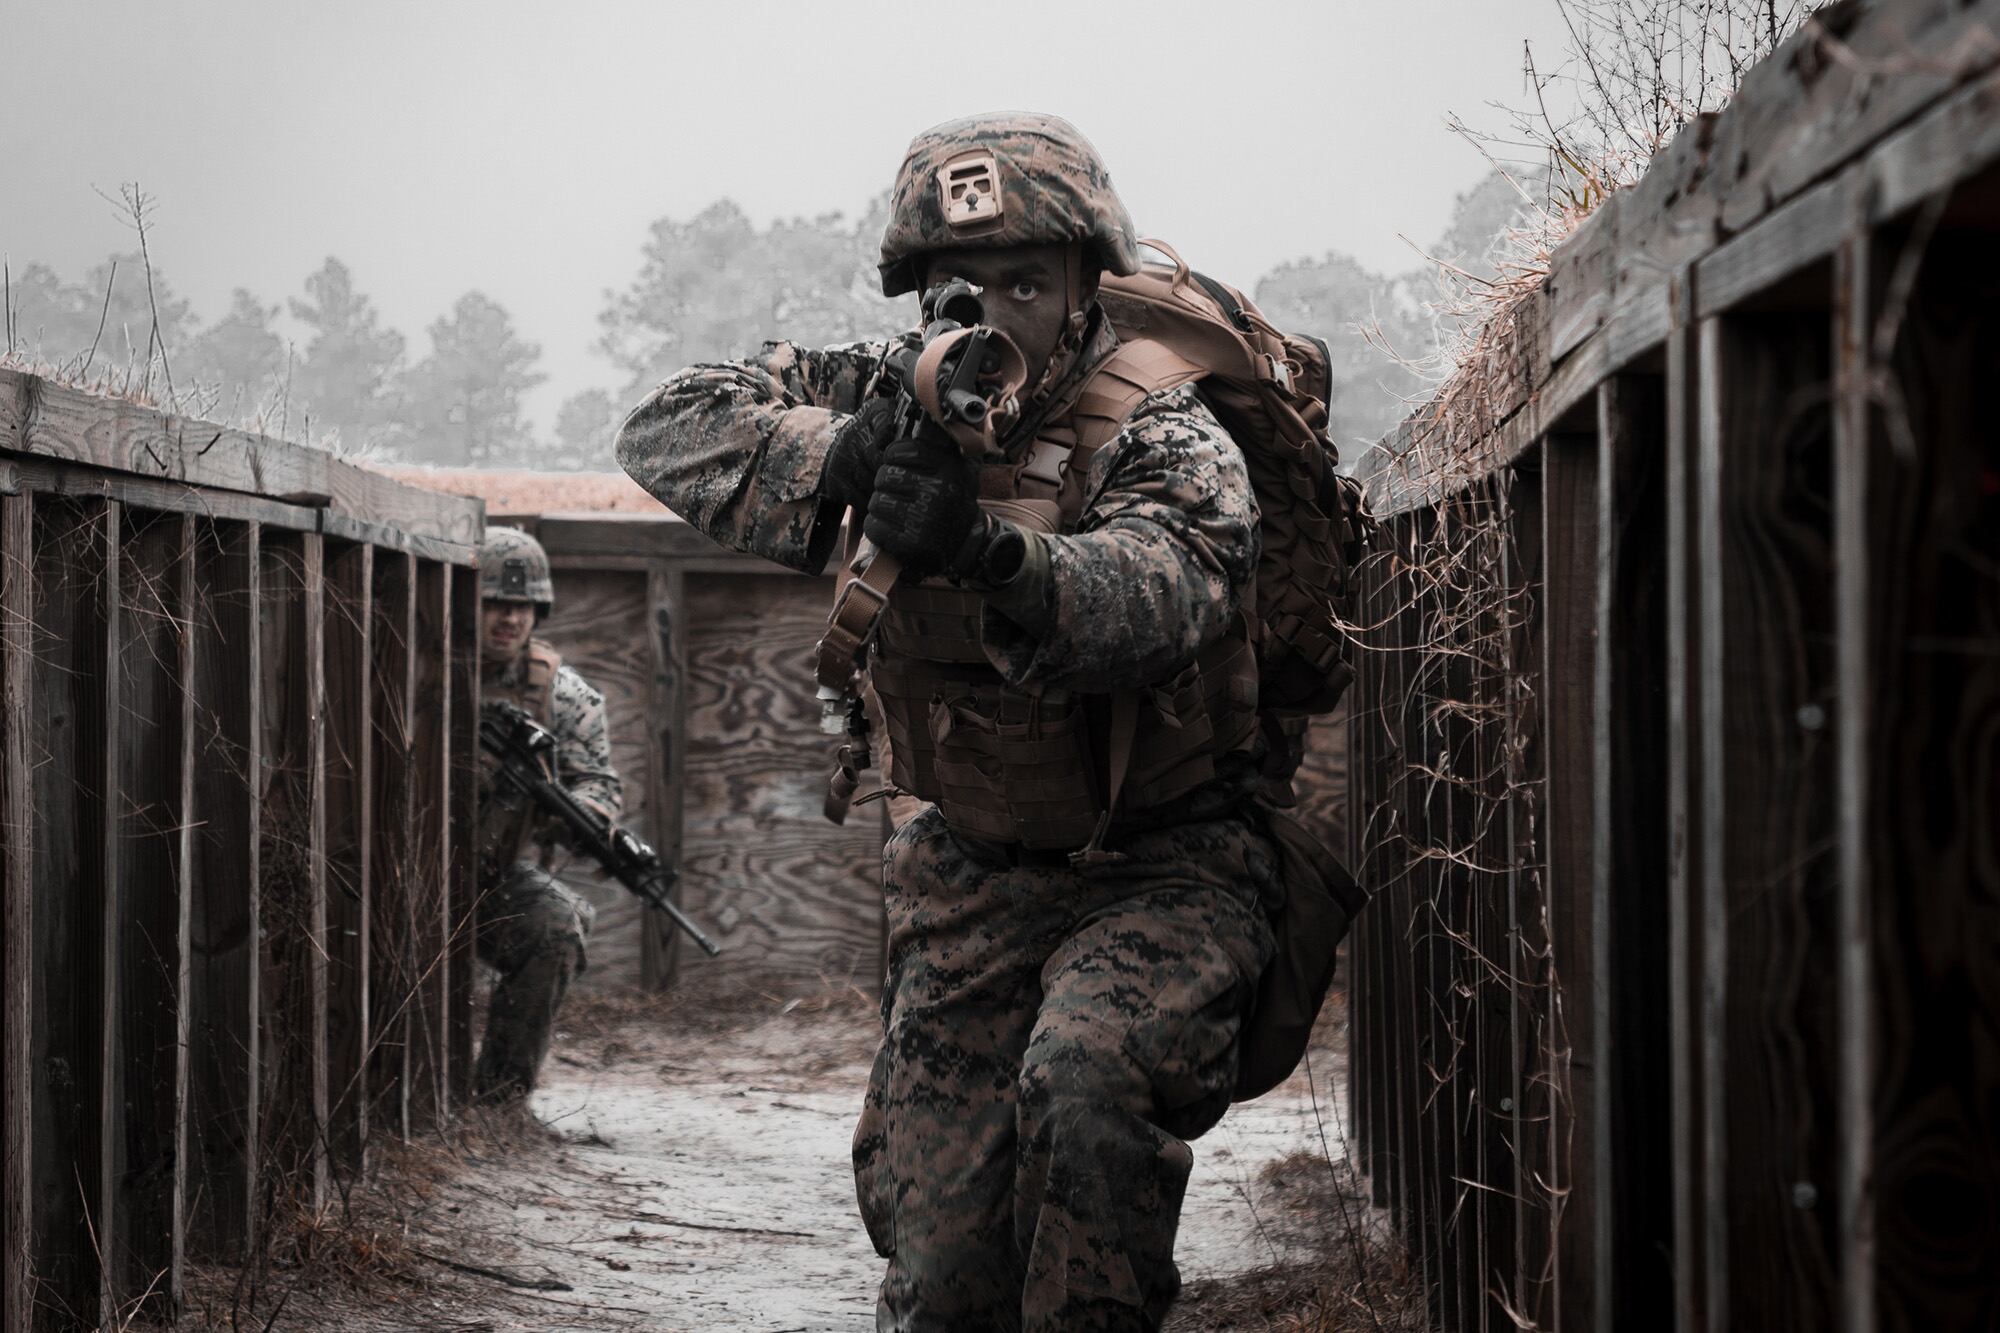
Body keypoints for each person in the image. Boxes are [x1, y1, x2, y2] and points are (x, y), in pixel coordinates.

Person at [617, 113, 1282, 1332]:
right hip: (972, 867)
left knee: (1080, 1086)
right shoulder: (892, 387)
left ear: (1087, 286)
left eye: (1026, 282)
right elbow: (666, 423)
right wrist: (845, 453)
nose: (987, 314)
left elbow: (1165, 587)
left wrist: (986, 553)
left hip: (1166, 864)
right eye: (957, 288)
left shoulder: (1161, 421)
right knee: (939, 1269)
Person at [472, 526, 622, 1107]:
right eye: (495, 603)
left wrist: (581, 813)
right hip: (394, 867)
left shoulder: (562, 695)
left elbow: (599, 784)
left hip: (484, 878)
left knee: (556, 928)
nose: (510, 618)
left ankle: (499, 1103)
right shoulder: (418, 665)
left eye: (523, 605)